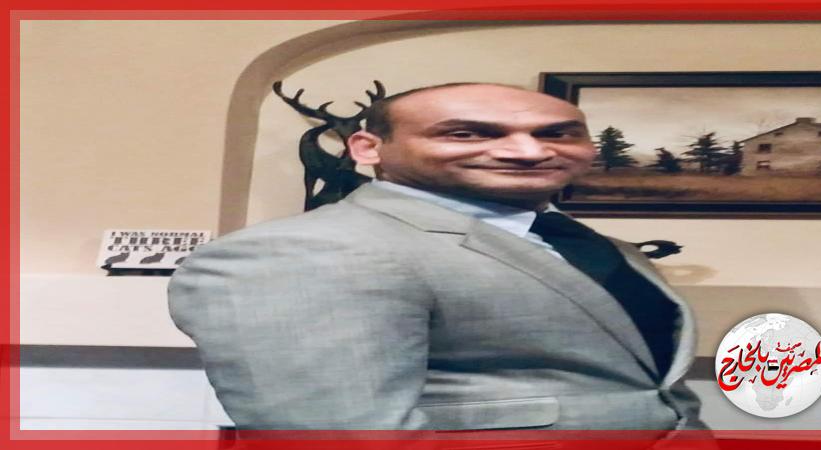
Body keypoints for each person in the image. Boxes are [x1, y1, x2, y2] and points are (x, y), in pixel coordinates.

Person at [168, 83, 708, 433]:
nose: (530, 151)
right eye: (466, 133)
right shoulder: (303, 251)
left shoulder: (590, 244)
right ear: (367, 148)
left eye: (558, 134)